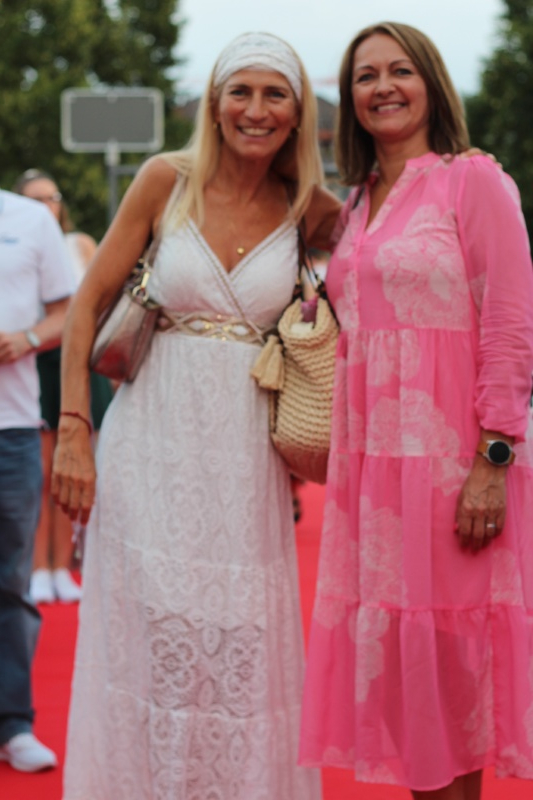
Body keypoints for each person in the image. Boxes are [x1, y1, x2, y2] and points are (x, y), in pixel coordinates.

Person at [51, 31, 340, 800]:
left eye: (274, 94)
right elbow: (86, 307)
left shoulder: (310, 208)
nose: (255, 109)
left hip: (245, 458)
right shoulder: (164, 180)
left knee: (238, 640)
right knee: (146, 636)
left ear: (298, 114)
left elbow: (392, 254)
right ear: (214, 104)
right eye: (239, 91)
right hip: (148, 443)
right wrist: (74, 429)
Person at [299, 21, 533, 800]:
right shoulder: (355, 203)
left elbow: (509, 324)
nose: (382, 87)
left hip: (452, 466)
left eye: (399, 70)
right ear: (349, 98)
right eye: (364, 76)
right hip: (373, 476)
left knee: (453, 669)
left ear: (431, 83)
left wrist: (491, 461)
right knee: (407, 676)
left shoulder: (473, 181)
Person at [12, 169, 113, 605]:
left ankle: (65, 566)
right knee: (41, 474)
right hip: (36, 364)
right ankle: (38, 567)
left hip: (80, 363)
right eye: (35, 199)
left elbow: (101, 302)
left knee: (75, 471)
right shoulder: (16, 244)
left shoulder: (80, 244)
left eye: (52, 197)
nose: (46, 206)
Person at [0, 187, 74, 771]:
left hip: (13, 430)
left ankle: (14, 724)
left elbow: (69, 311)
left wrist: (25, 338)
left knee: (10, 584)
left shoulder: (28, 218)